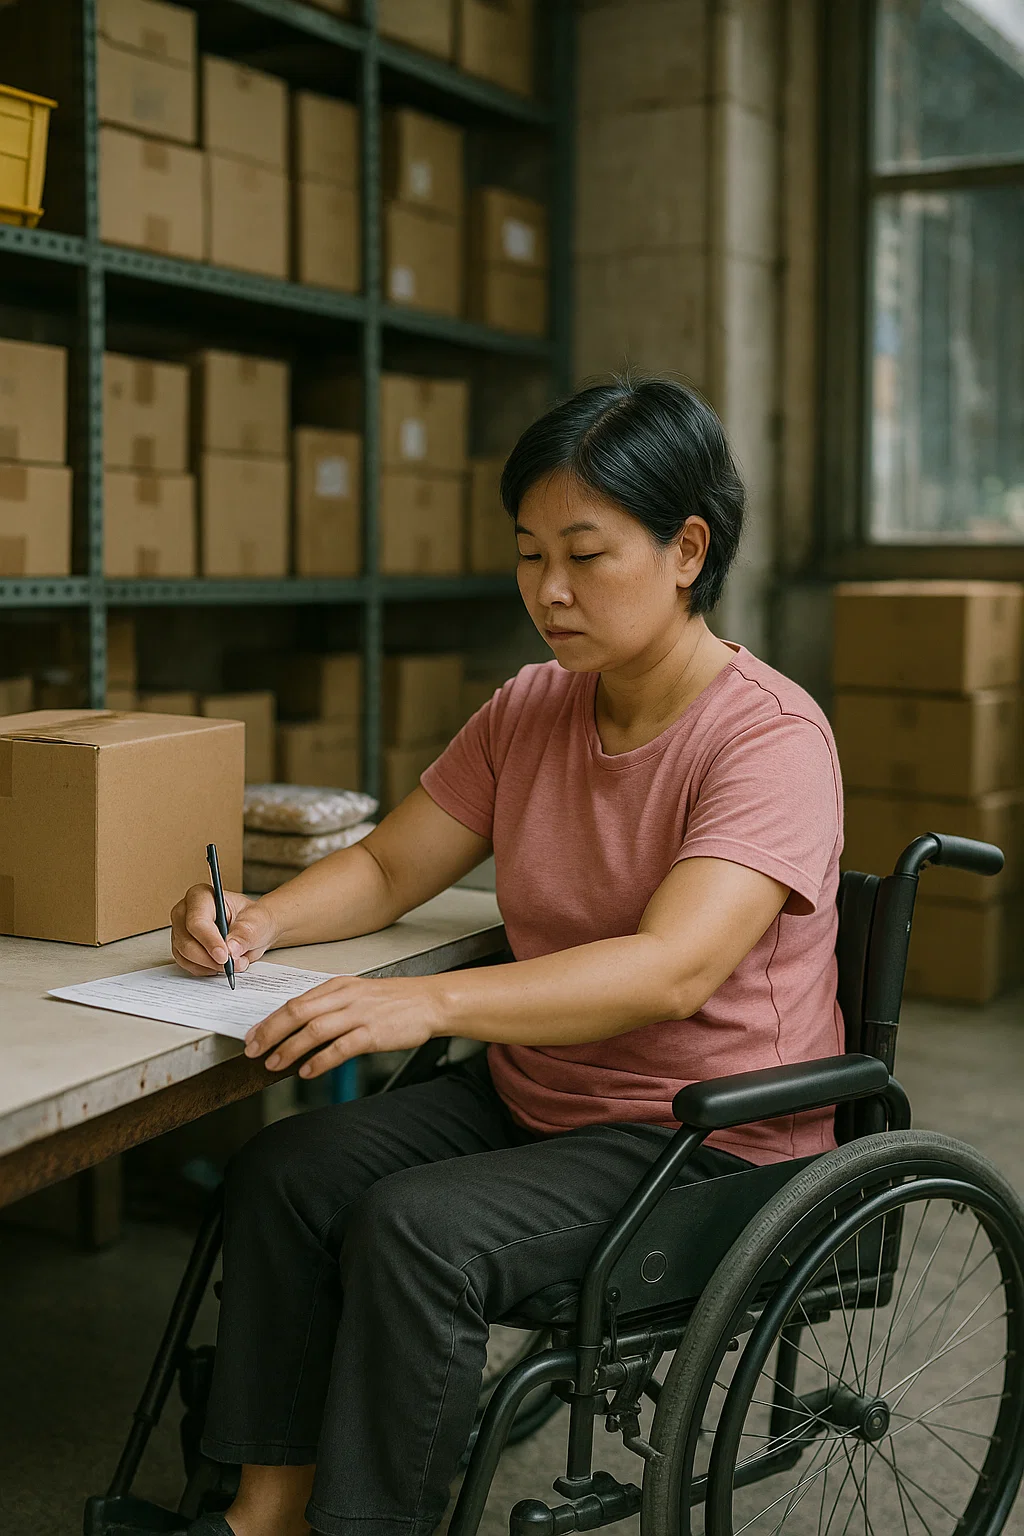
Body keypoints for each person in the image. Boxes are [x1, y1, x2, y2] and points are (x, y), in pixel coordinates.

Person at [171, 376, 844, 1536]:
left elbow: (669, 970)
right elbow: (389, 869)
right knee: (286, 1174)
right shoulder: (534, 705)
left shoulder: (767, 739)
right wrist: (263, 922)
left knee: (418, 1230)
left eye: (585, 554)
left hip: (704, 1135)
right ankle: (267, 1511)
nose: (548, 590)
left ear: (688, 550)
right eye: (529, 554)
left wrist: (425, 1005)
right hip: (543, 1092)